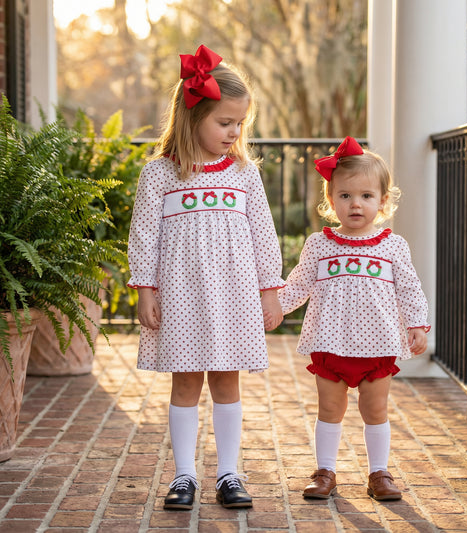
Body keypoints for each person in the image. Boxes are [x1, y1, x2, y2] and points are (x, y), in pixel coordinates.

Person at [127, 44, 284, 511]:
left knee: (226, 383)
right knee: (185, 385)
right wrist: (145, 289)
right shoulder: (160, 175)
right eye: (225, 122)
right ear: (192, 116)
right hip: (181, 297)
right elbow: (143, 236)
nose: (234, 132)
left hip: (234, 296)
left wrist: (270, 291)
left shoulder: (243, 174)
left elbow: (263, 234)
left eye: (240, 123)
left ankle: (230, 473)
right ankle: (184, 475)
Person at [274, 136, 430, 501]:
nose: (355, 204)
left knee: (374, 409)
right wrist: (273, 307)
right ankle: (325, 471)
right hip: (330, 343)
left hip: (377, 344)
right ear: (331, 201)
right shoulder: (319, 244)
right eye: (345, 196)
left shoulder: (393, 245)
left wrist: (416, 324)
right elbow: (298, 286)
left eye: (365, 196)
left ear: (383, 200)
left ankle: (379, 474)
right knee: (330, 407)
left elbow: (410, 289)